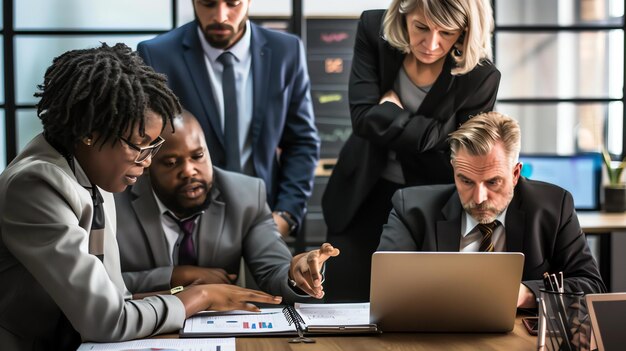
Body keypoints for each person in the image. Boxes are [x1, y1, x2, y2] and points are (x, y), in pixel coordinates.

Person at [0, 43, 303, 350]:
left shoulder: (95, 176)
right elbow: (108, 319)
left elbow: (117, 298)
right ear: (88, 133)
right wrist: (202, 295)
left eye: (153, 146)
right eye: (139, 145)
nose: (147, 161)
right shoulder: (37, 184)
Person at [323, 0, 502, 301]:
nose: (431, 44)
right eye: (421, 27)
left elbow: (461, 153)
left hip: (429, 204)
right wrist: (433, 131)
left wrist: (390, 110)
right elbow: (362, 118)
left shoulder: (481, 77)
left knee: (414, 310)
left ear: (465, 31)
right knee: (343, 306)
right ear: (403, 15)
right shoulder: (373, 29)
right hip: (360, 196)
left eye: (446, 32)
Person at [378, 111, 606, 306]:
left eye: (493, 182)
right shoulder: (411, 208)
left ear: (515, 174)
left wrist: (525, 294)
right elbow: (386, 288)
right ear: (453, 169)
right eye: (466, 181)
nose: (479, 198)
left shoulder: (554, 207)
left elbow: (591, 286)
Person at [136, 0, 319, 238]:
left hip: (264, 219)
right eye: (208, 4)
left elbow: (302, 142)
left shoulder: (287, 51)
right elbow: (145, 147)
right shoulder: (156, 54)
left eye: (233, 3)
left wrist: (285, 215)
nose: (220, 16)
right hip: (182, 226)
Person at [115, 110, 339, 302]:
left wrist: (295, 273)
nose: (189, 171)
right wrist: (175, 276)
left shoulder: (246, 195)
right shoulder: (114, 200)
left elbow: (273, 269)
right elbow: (99, 283)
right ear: (147, 164)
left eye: (198, 156)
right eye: (172, 163)